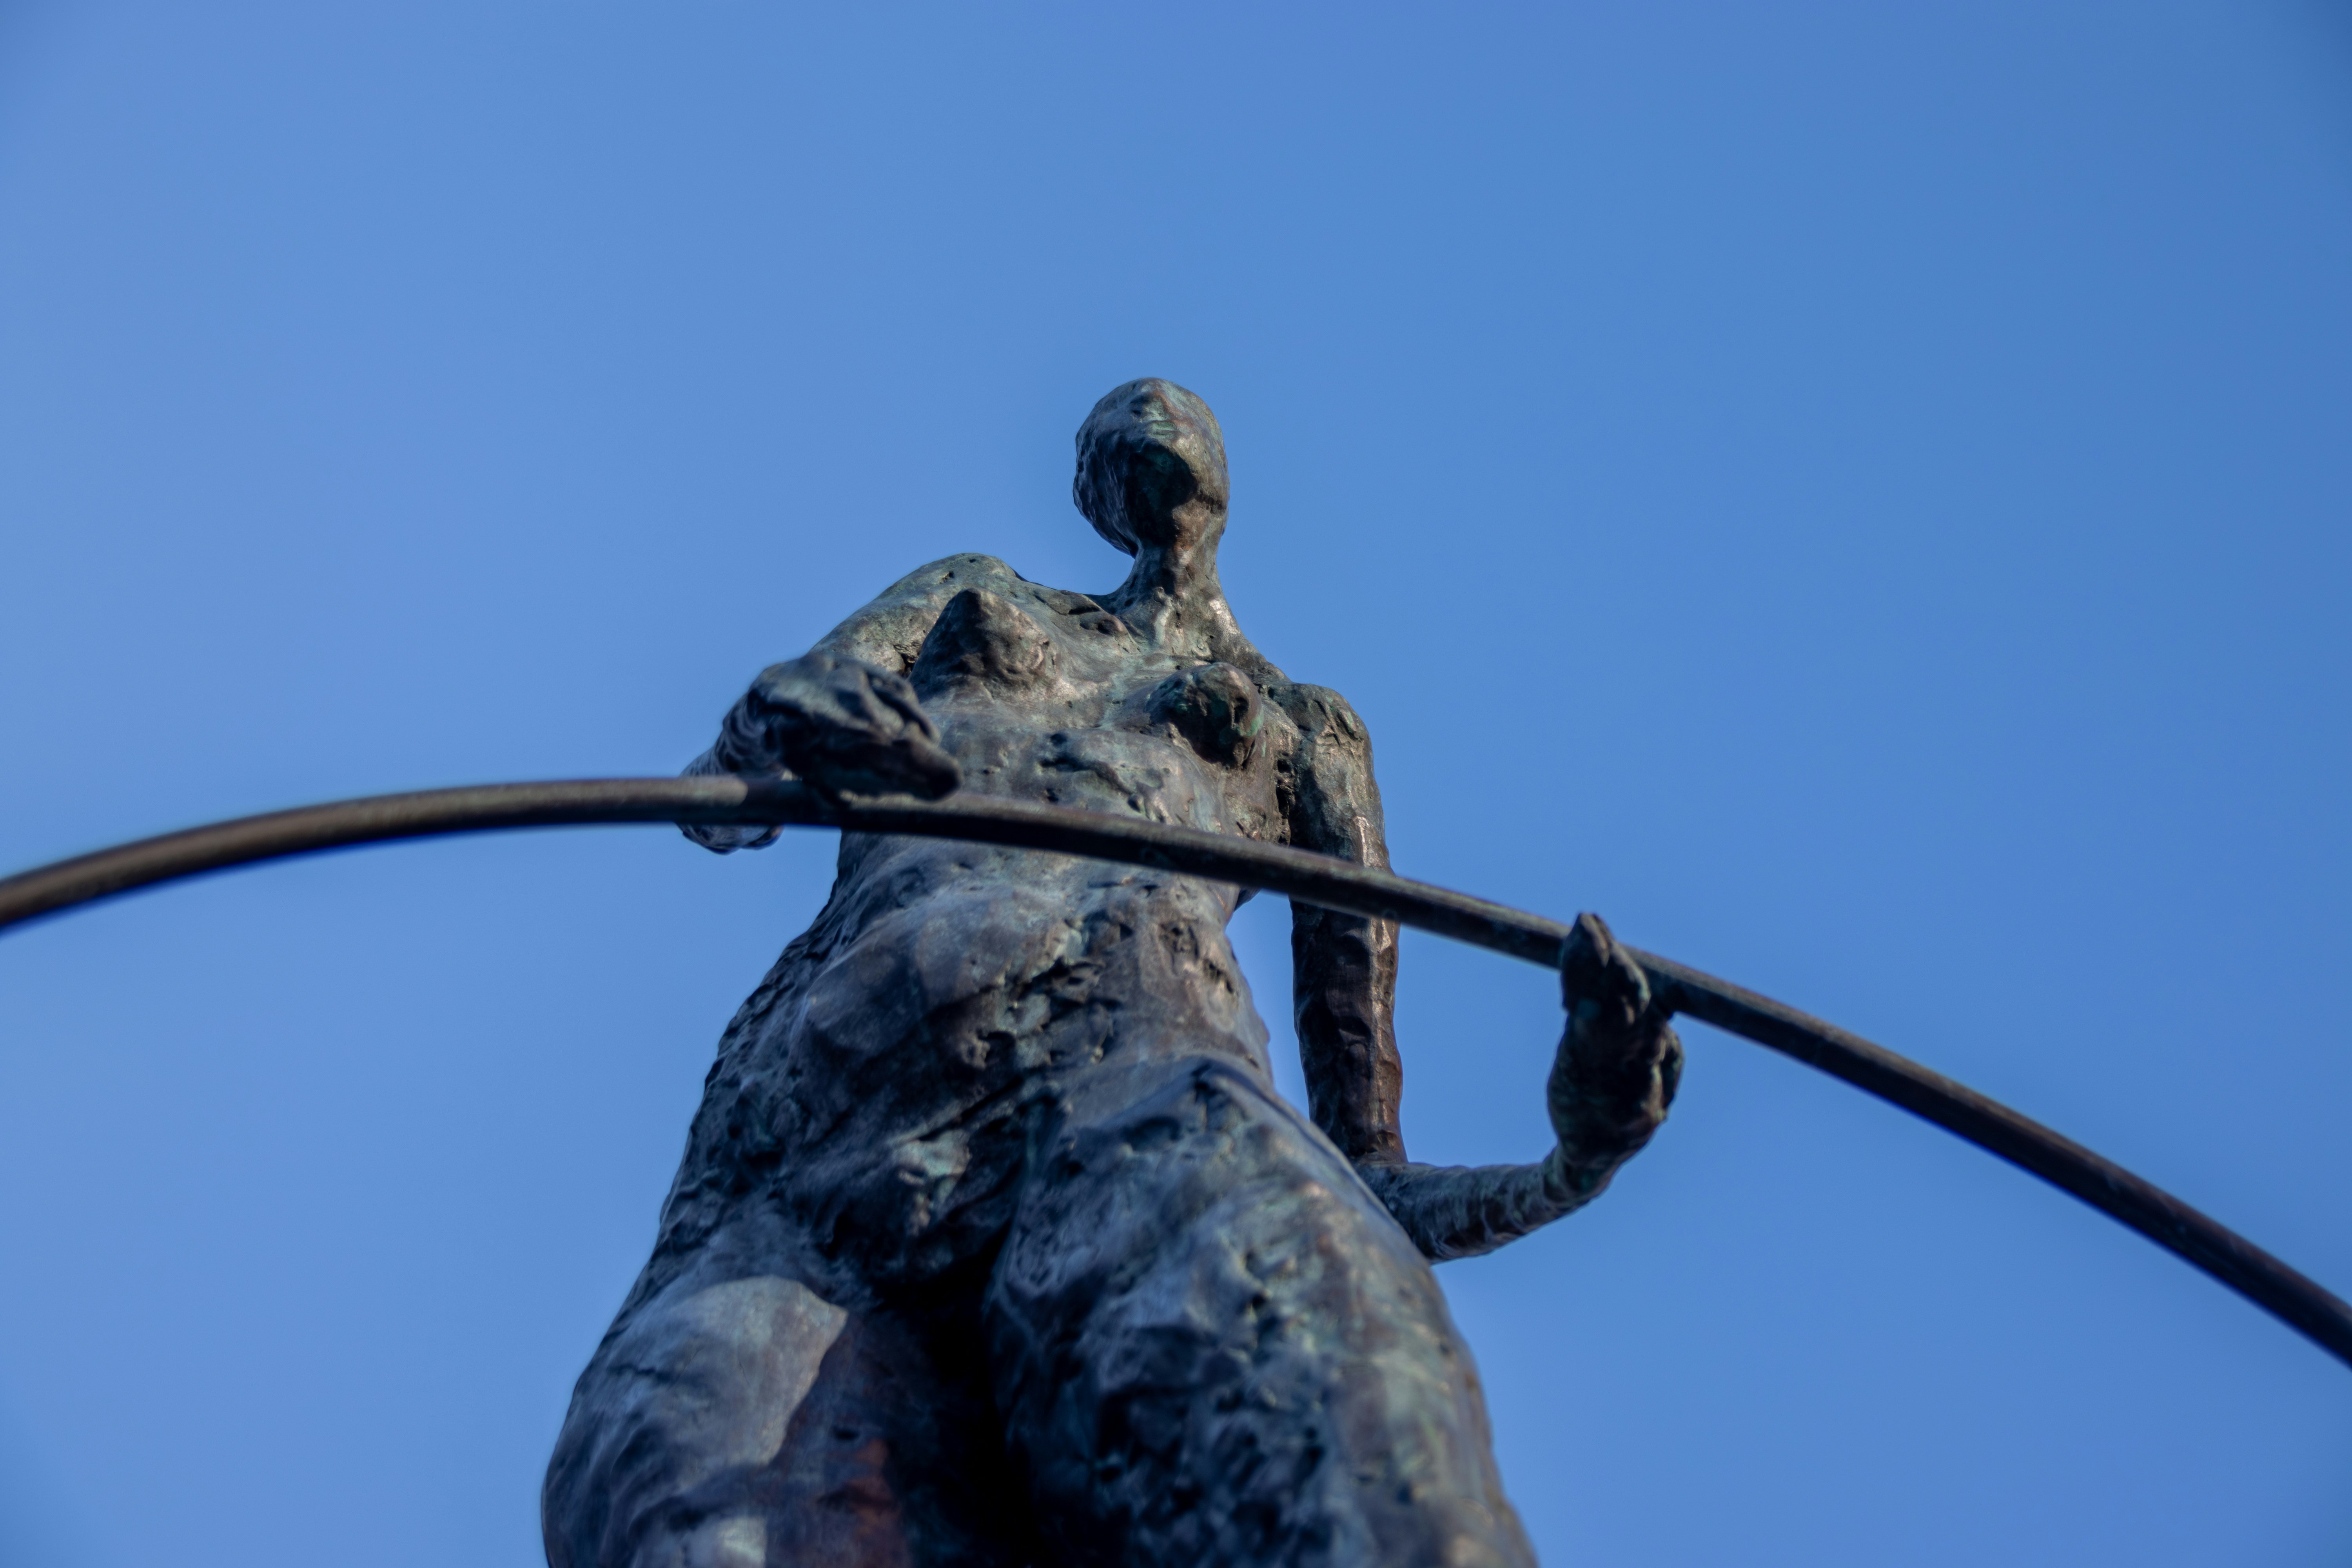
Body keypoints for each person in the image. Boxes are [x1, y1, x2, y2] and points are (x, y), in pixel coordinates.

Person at [542, 379, 1682, 1568]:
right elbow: (723, 796)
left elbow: (1368, 1179)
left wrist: (1573, 1166)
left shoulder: (1305, 730)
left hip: (1134, 1097)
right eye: (1112, 415)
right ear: (1087, 487)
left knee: (1372, 1489)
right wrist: (781, 716)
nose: (1148, 403)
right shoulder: (970, 595)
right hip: (803, 1153)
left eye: (1180, 403)